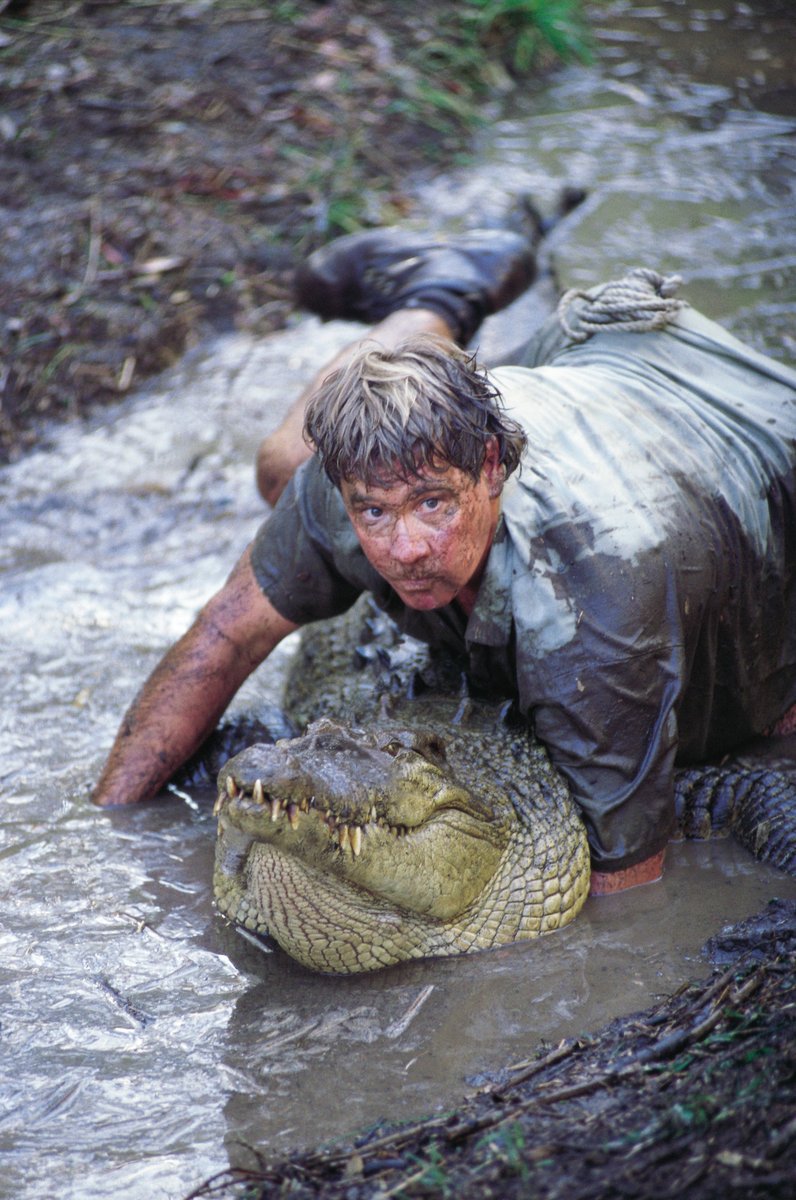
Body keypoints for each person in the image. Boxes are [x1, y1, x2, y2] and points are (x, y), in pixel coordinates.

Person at [92, 223, 796, 898]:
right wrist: (108, 836)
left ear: (491, 465)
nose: (405, 551)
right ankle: (441, 293)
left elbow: (629, 883)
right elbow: (224, 633)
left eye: (433, 505)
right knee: (279, 468)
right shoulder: (349, 485)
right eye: (373, 512)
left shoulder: (591, 600)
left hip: (729, 409)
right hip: (589, 371)